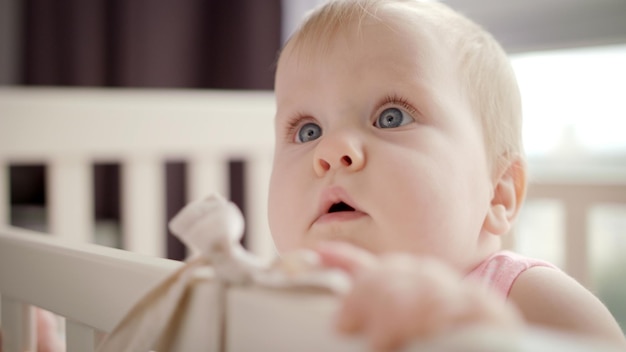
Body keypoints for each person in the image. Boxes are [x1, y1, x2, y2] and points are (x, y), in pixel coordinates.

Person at [266, 0, 626, 350]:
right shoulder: (264, 299)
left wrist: (494, 339)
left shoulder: (529, 299)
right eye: (308, 131)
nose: (329, 151)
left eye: (391, 117)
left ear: (498, 193)